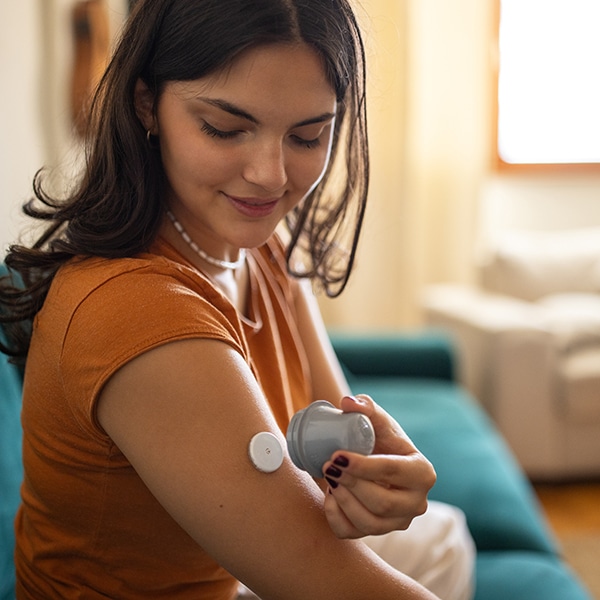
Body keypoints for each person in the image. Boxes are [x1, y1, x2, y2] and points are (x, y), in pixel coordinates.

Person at [0, 1, 475, 598]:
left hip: (230, 578)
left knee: (442, 539)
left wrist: (377, 479)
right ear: (147, 103)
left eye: (308, 135)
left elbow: (334, 434)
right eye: (225, 129)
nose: (271, 176)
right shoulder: (134, 313)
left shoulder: (258, 247)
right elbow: (327, 579)